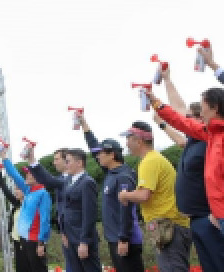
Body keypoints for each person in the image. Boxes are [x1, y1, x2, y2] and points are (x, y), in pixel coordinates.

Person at [156, 69, 224, 271]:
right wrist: (164, 87)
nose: (198, 116)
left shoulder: (210, 137)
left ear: (214, 109)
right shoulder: (204, 136)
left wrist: (216, 213)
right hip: (200, 218)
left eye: (201, 110)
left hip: (211, 217)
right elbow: (178, 115)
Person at [117, 120, 191, 271]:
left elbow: (144, 195)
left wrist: (124, 195)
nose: (126, 144)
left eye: (128, 139)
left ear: (139, 141)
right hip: (173, 225)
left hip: (168, 227)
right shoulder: (156, 158)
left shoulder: (149, 162)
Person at [77, 116, 144, 272]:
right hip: (115, 237)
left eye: (101, 153)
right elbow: (93, 147)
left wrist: (124, 238)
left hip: (125, 239)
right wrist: (84, 124)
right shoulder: (111, 172)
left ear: (112, 155)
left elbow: (126, 209)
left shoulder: (123, 176)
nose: (98, 156)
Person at [0, 153, 50, 272]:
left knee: (38, 269)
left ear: (37, 177)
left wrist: (41, 243)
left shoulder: (43, 194)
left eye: (29, 174)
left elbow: (45, 220)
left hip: (35, 240)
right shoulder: (28, 191)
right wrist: (4, 157)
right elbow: (14, 175)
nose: (26, 176)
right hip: (24, 239)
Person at [0, 169, 27, 272]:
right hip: (17, 240)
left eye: (18, 189)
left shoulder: (31, 204)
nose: (16, 191)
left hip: (29, 241)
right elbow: (6, 191)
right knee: (20, 267)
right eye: (15, 189)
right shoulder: (17, 204)